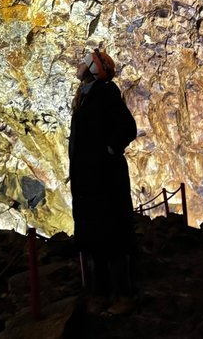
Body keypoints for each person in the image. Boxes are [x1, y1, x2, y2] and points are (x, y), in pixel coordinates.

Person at [69, 48, 138, 316]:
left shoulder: (105, 93)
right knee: (97, 238)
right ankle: (101, 294)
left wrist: (108, 152)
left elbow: (127, 129)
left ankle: (123, 295)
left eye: (84, 62)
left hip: (104, 183)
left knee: (113, 238)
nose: (79, 65)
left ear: (93, 70)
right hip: (90, 182)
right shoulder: (87, 97)